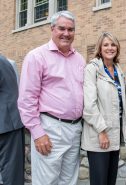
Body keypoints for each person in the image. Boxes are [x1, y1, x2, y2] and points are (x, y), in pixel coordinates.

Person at [18, 11, 85, 185]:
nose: (66, 33)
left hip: (75, 129)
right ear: (52, 28)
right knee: (46, 182)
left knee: (69, 181)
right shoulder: (37, 57)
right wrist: (38, 133)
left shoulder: (79, 59)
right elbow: (27, 100)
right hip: (50, 129)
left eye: (71, 29)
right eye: (61, 28)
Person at [81, 32, 126, 185]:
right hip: (99, 135)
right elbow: (89, 106)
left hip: (114, 135)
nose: (110, 48)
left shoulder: (118, 70)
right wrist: (102, 132)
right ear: (100, 48)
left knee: (110, 181)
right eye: (106, 44)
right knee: (99, 181)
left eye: (113, 44)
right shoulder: (92, 69)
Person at [0, 55, 24, 185]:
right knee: (12, 174)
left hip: (7, 126)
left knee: (11, 175)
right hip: (9, 124)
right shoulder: (5, 61)